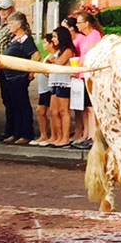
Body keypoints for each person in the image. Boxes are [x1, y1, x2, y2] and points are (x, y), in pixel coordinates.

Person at [0, 13, 38, 145]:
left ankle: (26, 133)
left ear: (19, 25)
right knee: (12, 105)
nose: (8, 26)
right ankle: (14, 132)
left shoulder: (26, 39)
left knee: (22, 105)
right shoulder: (14, 39)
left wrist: (30, 72)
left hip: (18, 76)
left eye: (10, 23)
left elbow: (36, 55)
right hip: (8, 76)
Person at [68, 9, 103, 148]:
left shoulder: (95, 35)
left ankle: (93, 136)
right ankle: (87, 134)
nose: (78, 25)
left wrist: (79, 66)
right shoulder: (86, 36)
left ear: (87, 23)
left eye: (80, 22)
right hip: (82, 74)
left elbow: (91, 53)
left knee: (91, 107)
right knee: (85, 107)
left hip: (89, 74)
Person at [37, 26, 77, 147]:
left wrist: (50, 62)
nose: (53, 40)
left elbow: (59, 65)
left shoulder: (68, 50)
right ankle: (57, 136)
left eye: (55, 36)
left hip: (64, 82)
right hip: (54, 82)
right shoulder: (58, 52)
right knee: (54, 111)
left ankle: (65, 137)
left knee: (64, 111)